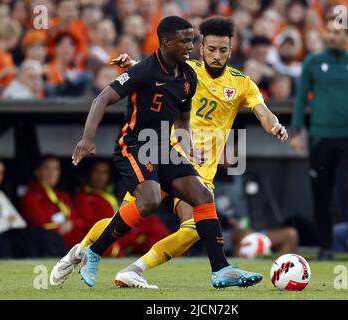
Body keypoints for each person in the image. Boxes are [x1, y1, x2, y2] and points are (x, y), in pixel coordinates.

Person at [51, 16, 287, 289]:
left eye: (223, 50)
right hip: (162, 153)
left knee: (195, 226)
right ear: (201, 48)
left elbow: (264, 113)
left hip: (201, 167)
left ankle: (136, 269)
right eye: (211, 49)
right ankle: (80, 251)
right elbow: (154, 72)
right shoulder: (188, 69)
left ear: (231, 51)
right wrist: (133, 66)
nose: (217, 55)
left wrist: (275, 126)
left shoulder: (243, 84)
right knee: (133, 212)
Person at [290, 16, 348, 260]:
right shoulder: (313, 61)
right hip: (321, 137)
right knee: (322, 194)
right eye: (329, 31)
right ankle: (325, 247)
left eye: (338, 32)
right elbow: (301, 99)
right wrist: (296, 130)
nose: (332, 36)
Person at [74, 159, 170, 257]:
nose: (101, 176)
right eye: (97, 172)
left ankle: (175, 249)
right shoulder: (84, 197)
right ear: (89, 174)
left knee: (153, 225)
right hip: (113, 235)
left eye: (105, 172)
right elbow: (90, 223)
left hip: (127, 231)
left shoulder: (110, 194)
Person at [21, 155, 85, 250]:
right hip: (48, 246)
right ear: (37, 172)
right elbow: (41, 224)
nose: (52, 173)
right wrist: (62, 226)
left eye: (55, 169)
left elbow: (81, 222)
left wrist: (71, 224)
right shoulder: (31, 196)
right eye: (47, 169)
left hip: (71, 245)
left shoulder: (62, 196)